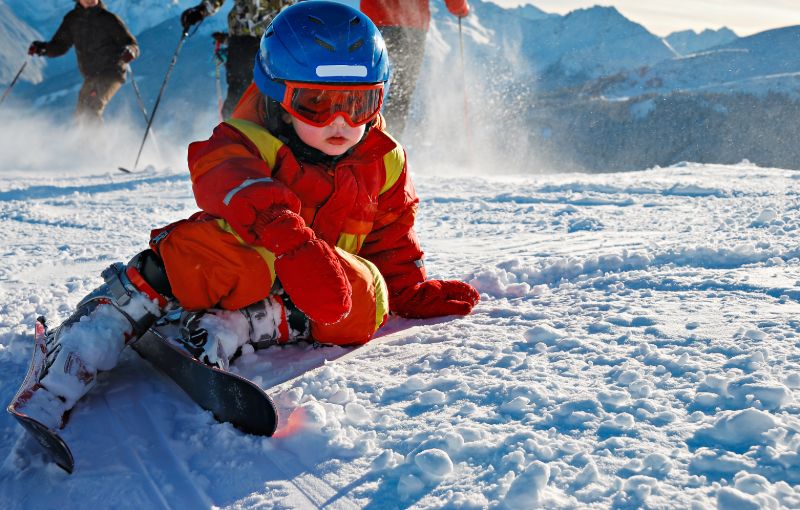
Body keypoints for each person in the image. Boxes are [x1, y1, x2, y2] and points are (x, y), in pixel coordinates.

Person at [16, 1, 480, 431]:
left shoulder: (386, 161)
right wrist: (289, 238)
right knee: (227, 253)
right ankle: (108, 318)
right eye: (315, 104)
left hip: (310, 285)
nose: (339, 122)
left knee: (365, 297)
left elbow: (390, 239)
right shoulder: (245, 141)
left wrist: (407, 290)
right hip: (256, 257)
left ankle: (242, 324)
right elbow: (228, 177)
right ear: (280, 97)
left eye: (359, 103)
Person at [360, 0, 470, 138]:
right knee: (402, 89)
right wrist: (459, 8)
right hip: (411, 24)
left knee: (365, 85)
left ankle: (358, 138)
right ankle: (388, 142)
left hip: (374, 21)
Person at [28, 0, 139, 124]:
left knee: (91, 108)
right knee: (81, 115)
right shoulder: (72, 19)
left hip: (111, 72)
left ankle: (97, 144)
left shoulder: (108, 19)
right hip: (91, 75)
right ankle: (85, 143)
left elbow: (131, 43)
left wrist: (131, 51)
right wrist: (41, 49)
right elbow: (60, 46)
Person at [180, 0, 296, 118]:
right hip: (258, 40)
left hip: (267, 40)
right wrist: (202, 10)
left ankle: (242, 126)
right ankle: (233, 127)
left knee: (269, 94)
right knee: (243, 92)